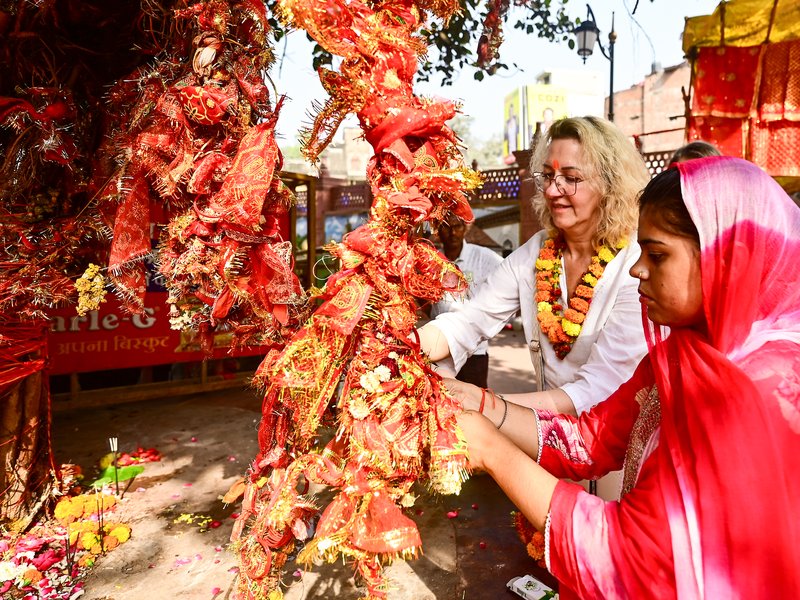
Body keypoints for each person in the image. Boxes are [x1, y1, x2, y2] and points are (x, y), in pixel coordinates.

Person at [457, 156, 800, 597]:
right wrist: (483, 405)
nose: (638, 270)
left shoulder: (761, 391)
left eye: (657, 256)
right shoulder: (684, 352)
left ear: (729, 257)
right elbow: (592, 438)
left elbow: (629, 555)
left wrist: (489, 449)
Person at [418, 116, 651, 418]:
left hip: (619, 448)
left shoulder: (635, 264)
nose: (553, 190)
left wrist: (484, 402)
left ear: (610, 183)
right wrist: (403, 347)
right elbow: (470, 321)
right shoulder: (536, 253)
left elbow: (600, 387)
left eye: (571, 177)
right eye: (548, 176)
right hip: (546, 440)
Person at [428, 214, 503, 388]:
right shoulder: (433, 260)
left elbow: (511, 278)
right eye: (447, 227)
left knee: (475, 402)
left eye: (457, 226)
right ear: (438, 231)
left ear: (465, 228)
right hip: (441, 346)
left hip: (474, 350)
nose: (453, 232)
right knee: (443, 400)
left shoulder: (483, 257)